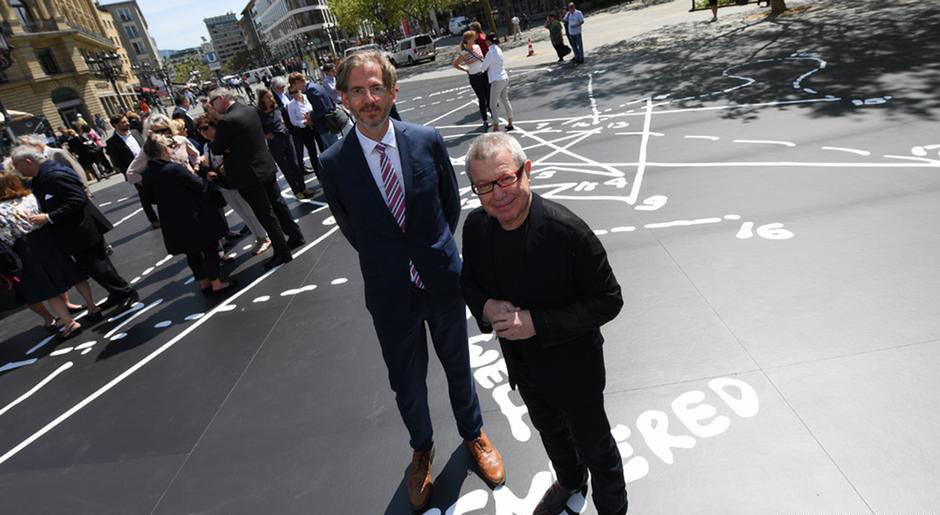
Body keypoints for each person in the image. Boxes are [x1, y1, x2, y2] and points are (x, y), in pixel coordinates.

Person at [317, 50, 505, 512]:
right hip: (389, 293)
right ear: (343, 98)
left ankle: (473, 434)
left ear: (392, 90)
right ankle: (422, 450)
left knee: (459, 366)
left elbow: (448, 204)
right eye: (357, 91)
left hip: (441, 280)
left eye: (376, 87)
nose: (368, 99)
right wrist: (395, 263)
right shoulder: (333, 162)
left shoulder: (426, 139)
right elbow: (353, 229)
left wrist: (430, 254)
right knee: (407, 382)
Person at [460, 133, 628, 515]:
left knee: (596, 446)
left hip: (575, 369)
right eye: (484, 186)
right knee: (550, 432)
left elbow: (609, 300)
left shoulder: (568, 232)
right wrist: (486, 306)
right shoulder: (476, 228)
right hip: (523, 365)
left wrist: (538, 322)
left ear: (526, 172)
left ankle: (613, 508)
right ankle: (570, 480)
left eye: (505, 179)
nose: (497, 194)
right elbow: (468, 281)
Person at [10, 146, 139, 321]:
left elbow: (78, 199)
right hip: (71, 233)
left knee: (99, 266)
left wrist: (49, 217)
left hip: (81, 230)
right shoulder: (41, 177)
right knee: (94, 267)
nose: (17, 171)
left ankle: (126, 293)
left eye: (17, 166)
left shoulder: (54, 174)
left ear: (28, 161)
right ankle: (116, 292)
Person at [207, 87, 304, 270]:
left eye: (213, 103)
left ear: (221, 98)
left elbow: (217, 148)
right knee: (278, 204)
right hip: (265, 166)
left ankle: (282, 251)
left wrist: (228, 147)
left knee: (265, 213)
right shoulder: (250, 109)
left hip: (248, 174)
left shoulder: (228, 120)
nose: (212, 107)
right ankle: (296, 235)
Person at [0, 172, 98, 339]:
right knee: (73, 274)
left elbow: (6, 237)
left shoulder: (1, 210)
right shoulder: (31, 198)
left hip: (25, 248)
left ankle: (69, 323)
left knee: (48, 288)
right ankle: (92, 306)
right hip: (47, 239)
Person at [141, 134, 234, 294]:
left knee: (191, 252)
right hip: (193, 213)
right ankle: (216, 282)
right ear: (163, 150)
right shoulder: (173, 168)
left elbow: (150, 198)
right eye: (169, 147)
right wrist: (206, 178)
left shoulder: (147, 173)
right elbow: (197, 185)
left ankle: (203, 282)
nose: (171, 149)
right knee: (209, 246)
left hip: (171, 218)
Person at [195, 114, 271, 256]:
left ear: (214, 126)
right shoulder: (207, 146)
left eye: (205, 128)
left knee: (248, 209)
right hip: (222, 184)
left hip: (235, 180)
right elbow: (209, 162)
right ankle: (258, 236)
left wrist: (227, 166)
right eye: (200, 130)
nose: (203, 132)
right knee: (241, 212)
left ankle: (264, 236)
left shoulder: (223, 141)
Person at [256, 89, 314, 199]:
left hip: (286, 137)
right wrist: (266, 135)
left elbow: (281, 118)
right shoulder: (259, 113)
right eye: (267, 97)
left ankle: (303, 187)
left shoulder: (276, 107)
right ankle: (296, 191)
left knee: (295, 164)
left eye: (271, 96)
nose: (271, 99)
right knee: (286, 168)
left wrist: (282, 124)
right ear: (262, 100)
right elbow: (256, 128)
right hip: (275, 142)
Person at [106, 114, 160, 228]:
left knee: (159, 191)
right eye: (123, 122)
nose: (127, 123)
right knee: (145, 196)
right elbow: (118, 163)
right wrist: (131, 176)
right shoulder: (112, 142)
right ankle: (153, 220)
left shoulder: (135, 132)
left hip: (150, 166)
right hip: (135, 172)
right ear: (116, 125)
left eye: (127, 121)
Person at [288, 71, 341, 151]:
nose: (295, 88)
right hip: (329, 123)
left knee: (334, 150)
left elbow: (322, 110)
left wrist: (310, 116)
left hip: (325, 125)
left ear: (298, 82)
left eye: (294, 85)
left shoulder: (310, 90)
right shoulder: (314, 85)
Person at [452, 30, 490, 129]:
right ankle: (485, 120)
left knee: (488, 96)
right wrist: (466, 70)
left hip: (483, 74)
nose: (475, 39)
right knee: (481, 98)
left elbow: (482, 59)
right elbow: (455, 64)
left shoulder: (477, 47)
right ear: (468, 40)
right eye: (473, 38)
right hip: (474, 78)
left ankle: (493, 114)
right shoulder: (464, 53)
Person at [286, 86, 324, 179]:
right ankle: (319, 176)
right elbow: (293, 121)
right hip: (305, 130)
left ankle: (328, 170)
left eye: (295, 91)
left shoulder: (307, 97)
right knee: (312, 152)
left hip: (316, 125)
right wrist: (304, 122)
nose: (294, 94)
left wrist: (312, 117)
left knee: (323, 148)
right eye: (291, 93)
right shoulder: (291, 105)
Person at [480, 34, 514, 132]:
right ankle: (510, 122)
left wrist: (483, 64)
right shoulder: (498, 49)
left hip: (496, 79)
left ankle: (496, 127)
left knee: (492, 105)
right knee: (505, 100)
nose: (485, 42)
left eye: (486, 41)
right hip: (504, 77)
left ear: (489, 41)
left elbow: (483, 68)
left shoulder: (490, 52)